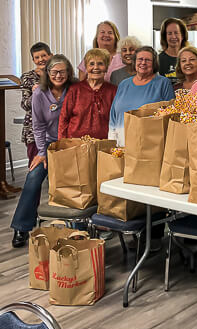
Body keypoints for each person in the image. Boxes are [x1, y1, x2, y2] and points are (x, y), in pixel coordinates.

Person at [10, 55, 76, 248]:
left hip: (71, 144)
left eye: (62, 71)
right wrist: (41, 152)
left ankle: (78, 225)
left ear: (68, 73)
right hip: (48, 145)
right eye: (54, 71)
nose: (58, 75)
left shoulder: (74, 90)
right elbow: (38, 126)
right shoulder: (39, 93)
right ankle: (21, 227)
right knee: (33, 176)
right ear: (47, 73)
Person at [109, 46, 175, 146]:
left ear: (154, 63)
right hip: (121, 144)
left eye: (147, 60)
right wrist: (112, 139)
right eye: (140, 59)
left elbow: (171, 115)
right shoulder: (123, 84)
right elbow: (113, 113)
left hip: (149, 145)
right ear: (134, 62)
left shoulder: (163, 83)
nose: (143, 63)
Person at [59, 48, 117, 139]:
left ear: (106, 67)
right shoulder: (75, 90)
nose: (96, 68)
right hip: (75, 144)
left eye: (100, 64)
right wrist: (62, 144)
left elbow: (118, 120)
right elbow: (63, 119)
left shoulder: (113, 91)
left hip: (104, 145)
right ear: (86, 67)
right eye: (91, 64)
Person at [20, 42, 52, 166]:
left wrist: (45, 79)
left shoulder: (58, 74)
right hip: (34, 129)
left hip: (54, 127)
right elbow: (25, 105)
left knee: (56, 168)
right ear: (33, 60)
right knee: (36, 166)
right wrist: (36, 94)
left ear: (50, 55)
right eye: (37, 57)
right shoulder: (27, 77)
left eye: (44, 55)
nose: (41, 60)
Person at [158, 18, 189, 84]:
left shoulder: (191, 57)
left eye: (176, 33)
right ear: (165, 37)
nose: (173, 37)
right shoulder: (158, 60)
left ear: (182, 35)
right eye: (169, 33)